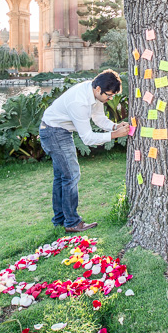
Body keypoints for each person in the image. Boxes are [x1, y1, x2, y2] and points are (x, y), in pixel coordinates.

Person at [39, 69, 129, 233]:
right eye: (108, 95)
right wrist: (115, 135)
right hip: (53, 132)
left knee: (62, 177)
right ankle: (72, 222)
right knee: (71, 175)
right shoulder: (79, 102)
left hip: (59, 130)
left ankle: (60, 220)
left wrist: (115, 126)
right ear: (98, 89)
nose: (109, 99)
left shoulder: (94, 95)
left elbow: (99, 119)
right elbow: (87, 138)